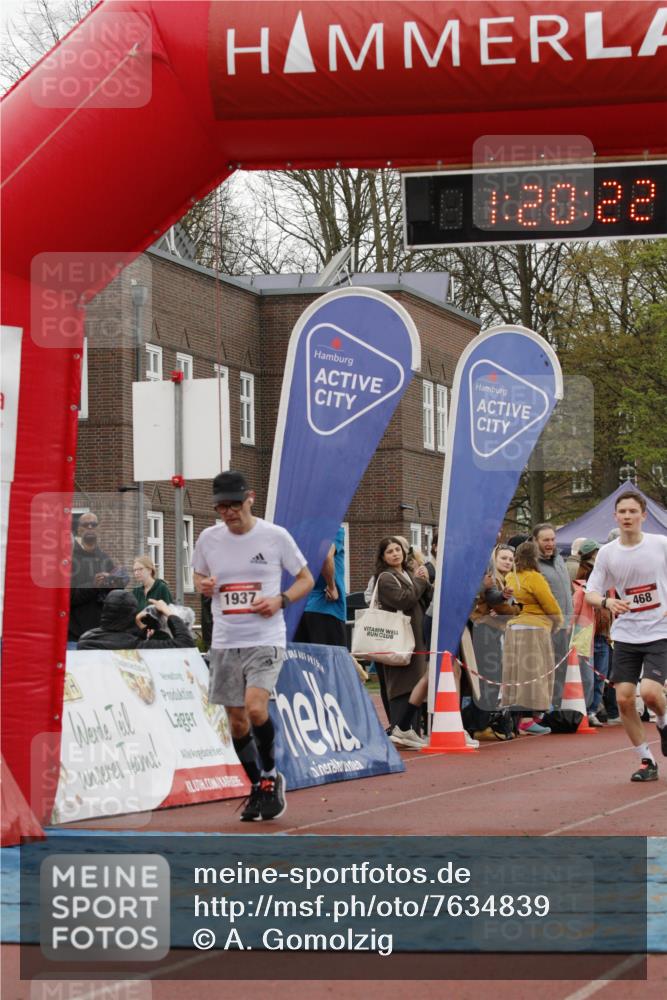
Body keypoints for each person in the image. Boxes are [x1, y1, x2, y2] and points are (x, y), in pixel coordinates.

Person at [193, 470, 314, 822]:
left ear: (250, 499)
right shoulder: (208, 539)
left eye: (234, 505)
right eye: (221, 508)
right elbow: (198, 574)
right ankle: (258, 785)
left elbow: (306, 579)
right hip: (225, 640)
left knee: (255, 708)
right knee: (236, 721)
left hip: (265, 638)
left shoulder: (275, 536)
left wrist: (280, 600)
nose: (228, 513)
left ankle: (271, 774)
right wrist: (203, 584)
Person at [585, 491, 667, 782]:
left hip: (659, 631)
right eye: (623, 512)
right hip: (626, 635)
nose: (627, 516)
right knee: (623, 700)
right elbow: (591, 592)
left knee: (651, 693)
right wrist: (607, 602)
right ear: (615, 516)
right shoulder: (608, 553)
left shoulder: (660, 544)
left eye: (633, 511)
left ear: (643, 516)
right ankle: (647, 761)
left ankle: (663, 721)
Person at [372, 536, 432, 749]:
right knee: (400, 684)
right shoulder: (385, 578)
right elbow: (404, 600)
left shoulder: (407, 573)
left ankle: (412, 731)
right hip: (398, 638)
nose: (395, 554)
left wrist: (424, 581)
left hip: (415, 637)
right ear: (383, 557)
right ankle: (399, 728)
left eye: (398, 550)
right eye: (390, 551)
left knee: (415, 682)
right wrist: (420, 582)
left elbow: (423, 597)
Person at [501, 540, 564, 734]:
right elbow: (549, 603)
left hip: (514, 628)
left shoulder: (510, 577)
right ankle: (529, 719)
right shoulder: (535, 577)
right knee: (534, 673)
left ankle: (518, 717)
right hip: (534, 628)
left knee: (517, 673)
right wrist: (558, 622)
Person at [469, 544, 520, 718]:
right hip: (485, 631)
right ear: (494, 559)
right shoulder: (492, 579)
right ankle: (481, 720)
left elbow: (504, 609)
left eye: (511, 559)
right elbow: (503, 608)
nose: (507, 562)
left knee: (494, 675)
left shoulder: (506, 581)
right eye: (503, 558)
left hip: (495, 630)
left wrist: (510, 610)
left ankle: (486, 718)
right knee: (490, 675)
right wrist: (516, 609)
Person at [571, 539, 614, 726]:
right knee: (588, 676)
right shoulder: (582, 583)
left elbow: (612, 607)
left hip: (603, 635)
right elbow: (575, 610)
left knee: (601, 676)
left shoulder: (609, 583)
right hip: (586, 635)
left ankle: (593, 710)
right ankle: (585, 710)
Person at [68, 512, 128, 644]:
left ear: (98, 529)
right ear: (79, 529)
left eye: (93, 524)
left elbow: (113, 598)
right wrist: (94, 585)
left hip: (101, 635)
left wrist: (116, 583)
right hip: (75, 635)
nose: (90, 527)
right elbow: (68, 597)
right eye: (86, 524)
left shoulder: (106, 559)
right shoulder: (69, 559)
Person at [532, 523, 573, 707]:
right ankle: (543, 708)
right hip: (546, 626)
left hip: (564, 625)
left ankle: (556, 706)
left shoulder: (559, 559)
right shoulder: (533, 565)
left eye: (552, 539)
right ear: (535, 541)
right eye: (545, 540)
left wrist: (569, 619)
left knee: (561, 668)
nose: (550, 544)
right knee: (545, 668)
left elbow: (566, 591)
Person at [77, 591, 195, 650]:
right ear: (131, 615)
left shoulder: (86, 640)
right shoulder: (135, 645)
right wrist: (168, 612)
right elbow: (185, 644)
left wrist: (141, 630)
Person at [294, 525, 346, 646]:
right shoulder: (331, 527)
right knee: (332, 657)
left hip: (300, 610)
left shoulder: (301, 531)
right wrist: (331, 586)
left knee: (304, 657)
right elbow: (326, 555)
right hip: (326, 608)